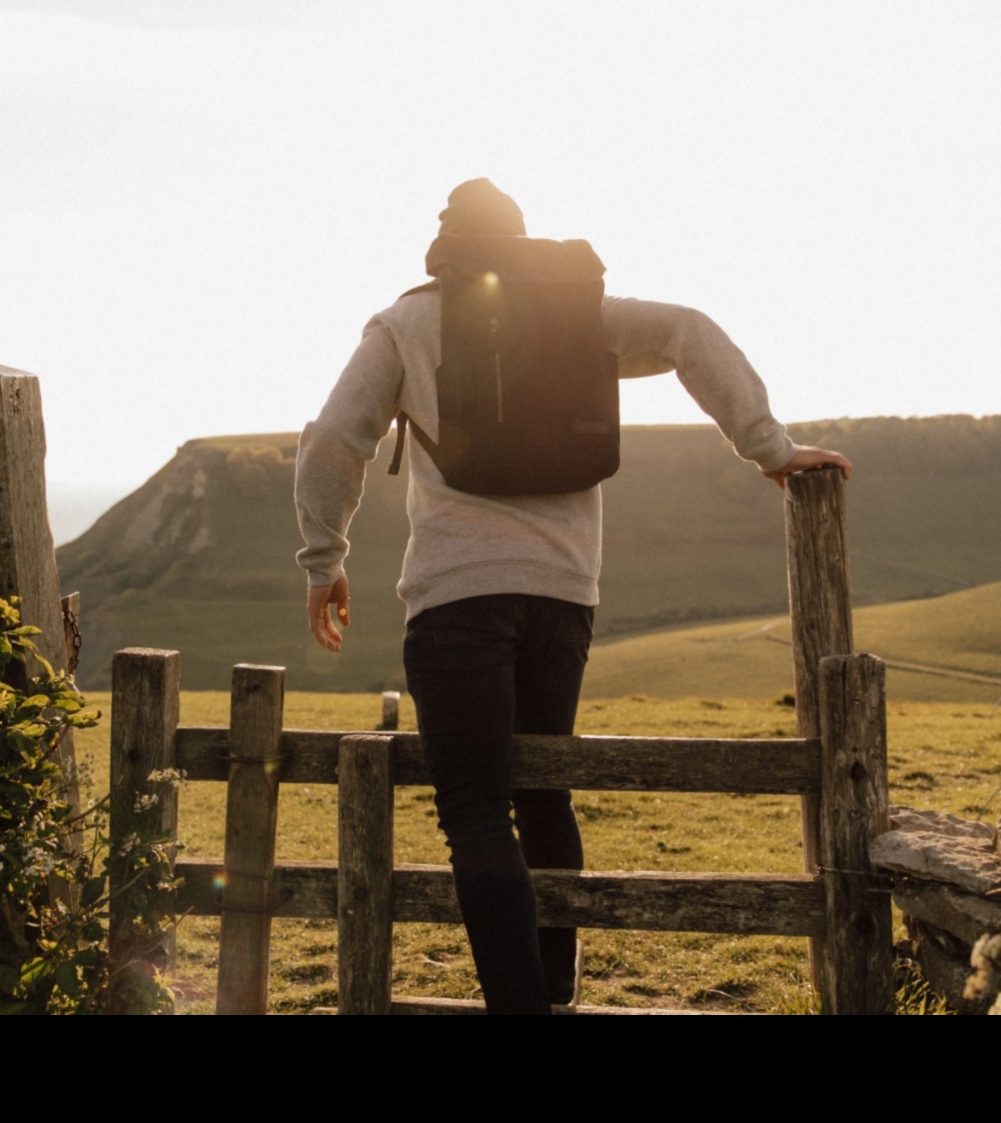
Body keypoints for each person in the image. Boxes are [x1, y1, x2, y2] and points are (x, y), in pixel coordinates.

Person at [294, 179, 851, 1014]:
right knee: (543, 790)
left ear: (441, 244)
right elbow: (688, 330)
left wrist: (322, 559)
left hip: (456, 601)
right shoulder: (577, 311)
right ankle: (553, 993)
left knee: (476, 812)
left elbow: (334, 439)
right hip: (564, 596)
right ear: (523, 241)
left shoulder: (408, 321)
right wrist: (767, 447)